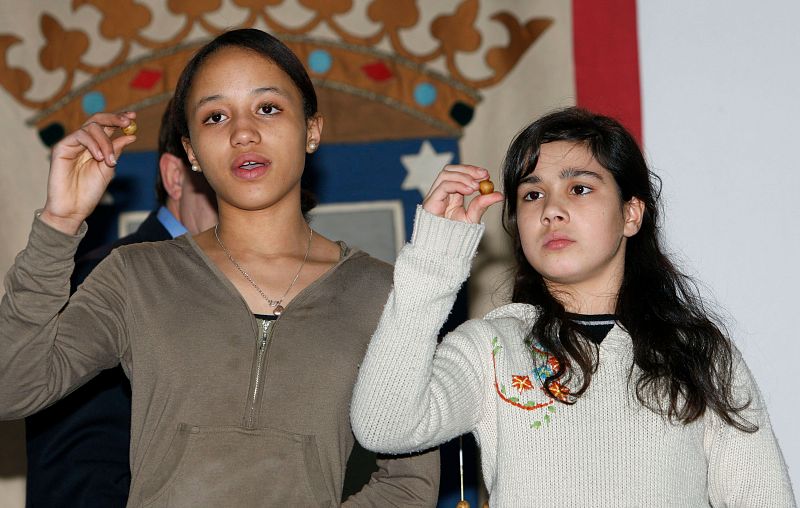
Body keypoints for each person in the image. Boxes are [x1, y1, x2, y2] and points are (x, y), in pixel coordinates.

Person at [0, 28, 438, 506]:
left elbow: (410, 485)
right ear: (190, 152)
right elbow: (12, 389)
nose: (243, 132)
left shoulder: (384, 291)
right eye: (215, 116)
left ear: (312, 130)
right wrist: (59, 224)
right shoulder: (134, 276)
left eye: (267, 108)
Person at [350, 107, 796, 506]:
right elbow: (384, 425)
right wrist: (433, 262)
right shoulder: (491, 346)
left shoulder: (698, 351)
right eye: (532, 195)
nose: (551, 210)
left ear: (631, 214)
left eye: (579, 188)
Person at [24, 103, 217, 507]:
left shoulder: (250, 285)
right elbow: (79, 464)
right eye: (218, 171)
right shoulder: (108, 277)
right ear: (175, 176)